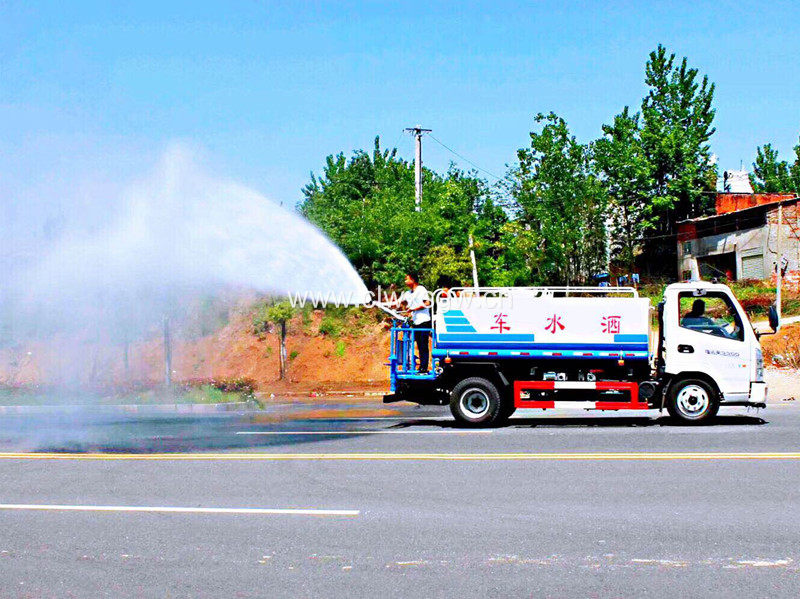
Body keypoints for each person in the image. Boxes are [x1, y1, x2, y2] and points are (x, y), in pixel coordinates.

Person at [399, 272, 431, 372]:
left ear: (413, 280)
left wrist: (413, 309)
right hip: (416, 322)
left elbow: (427, 303)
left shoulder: (421, 289)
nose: (405, 281)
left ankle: (424, 367)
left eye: (406, 279)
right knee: (419, 345)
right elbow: (401, 301)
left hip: (424, 321)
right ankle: (421, 366)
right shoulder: (408, 293)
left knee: (423, 345)